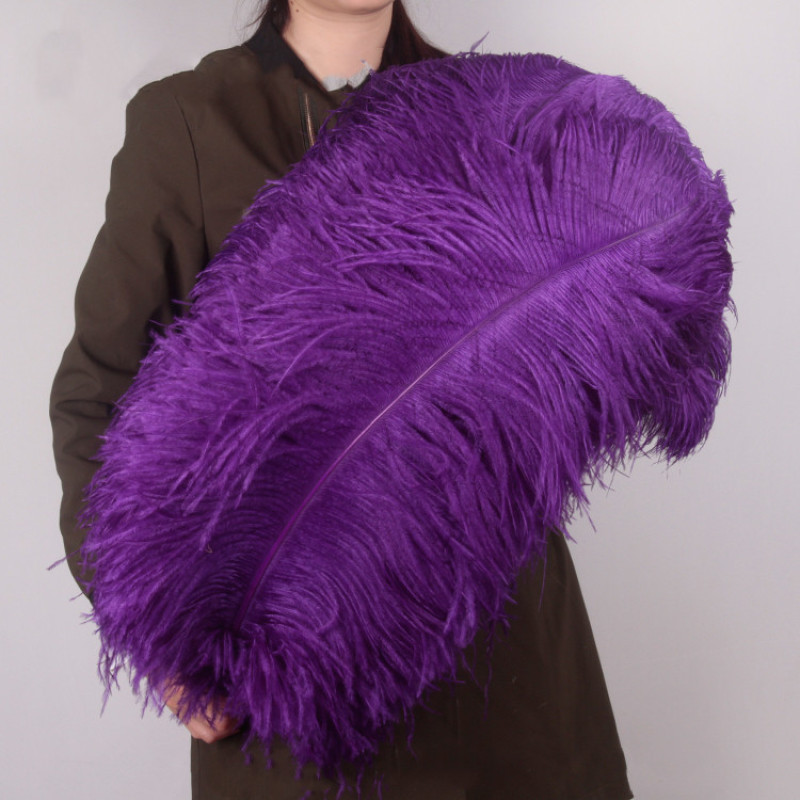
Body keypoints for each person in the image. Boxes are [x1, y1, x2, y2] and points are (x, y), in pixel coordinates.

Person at [50, 1, 634, 798]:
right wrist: (165, 645)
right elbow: (95, 393)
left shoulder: (498, 106)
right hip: (297, 694)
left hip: (513, 680)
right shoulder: (188, 120)